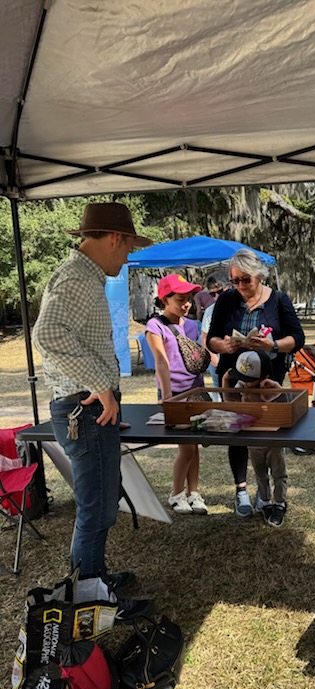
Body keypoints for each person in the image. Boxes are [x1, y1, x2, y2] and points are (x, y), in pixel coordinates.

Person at [32, 201, 153, 621]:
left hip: (85, 408)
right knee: (96, 508)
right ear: (115, 238)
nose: (128, 256)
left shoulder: (84, 275)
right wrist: (101, 386)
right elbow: (47, 334)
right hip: (84, 408)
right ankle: (89, 600)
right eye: (128, 247)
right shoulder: (78, 278)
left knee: (99, 504)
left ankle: (94, 579)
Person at [207, 249, 305, 516]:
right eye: (234, 280)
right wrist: (224, 345)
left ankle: (270, 494)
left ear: (259, 276)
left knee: (267, 434)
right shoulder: (227, 300)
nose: (239, 286)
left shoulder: (279, 300)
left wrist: (272, 344)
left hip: (268, 379)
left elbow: (297, 338)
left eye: (245, 280)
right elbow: (211, 339)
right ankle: (241, 490)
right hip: (233, 377)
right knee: (236, 432)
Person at [146, 273, 209, 515]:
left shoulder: (192, 325)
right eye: (181, 299)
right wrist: (168, 396)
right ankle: (176, 493)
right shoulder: (155, 326)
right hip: (175, 395)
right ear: (165, 299)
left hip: (196, 394)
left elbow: (198, 359)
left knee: (193, 446)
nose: (186, 304)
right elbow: (161, 362)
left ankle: (193, 492)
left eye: (189, 299)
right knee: (185, 448)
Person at [223, 350, 288, 526]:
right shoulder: (241, 388)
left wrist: (277, 390)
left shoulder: (269, 388)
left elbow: (289, 404)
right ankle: (265, 502)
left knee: (278, 473)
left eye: (248, 379)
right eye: (240, 377)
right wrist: (226, 380)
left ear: (264, 376)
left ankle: (280, 503)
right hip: (253, 439)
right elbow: (228, 403)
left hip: (274, 440)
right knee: (260, 474)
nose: (243, 382)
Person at [201, 270, 231, 397]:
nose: (217, 297)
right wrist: (215, 362)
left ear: (229, 287)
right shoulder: (210, 312)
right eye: (212, 294)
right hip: (218, 363)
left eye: (220, 292)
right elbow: (205, 339)